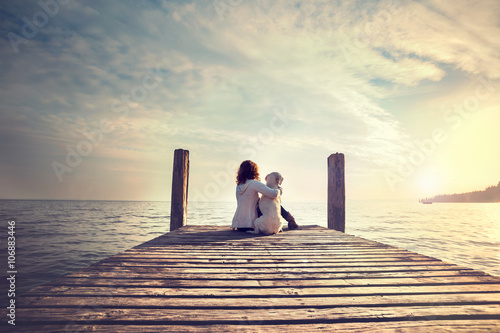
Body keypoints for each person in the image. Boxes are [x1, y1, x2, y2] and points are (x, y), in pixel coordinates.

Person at [231, 160, 299, 231]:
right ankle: (291, 220)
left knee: (261, 201)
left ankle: (291, 220)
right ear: (254, 171)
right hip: (251, 223)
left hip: (240, 225)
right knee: (272, 202)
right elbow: (274, 194)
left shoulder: (239, 185)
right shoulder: (254, 183)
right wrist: (280, 189)